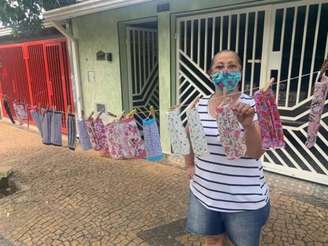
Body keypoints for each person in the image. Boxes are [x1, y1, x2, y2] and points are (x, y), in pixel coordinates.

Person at [185, 50, 270, 246]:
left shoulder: (255, 105)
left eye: (232, 66)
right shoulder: (199, 105)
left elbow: (257, 152)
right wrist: (189, 164)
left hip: (243, 199)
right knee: (213, 240)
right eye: (219, 66)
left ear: (240, 70)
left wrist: (247, 124)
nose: (226, 71)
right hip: (204, 193)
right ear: (210, 72)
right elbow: (188, 137)